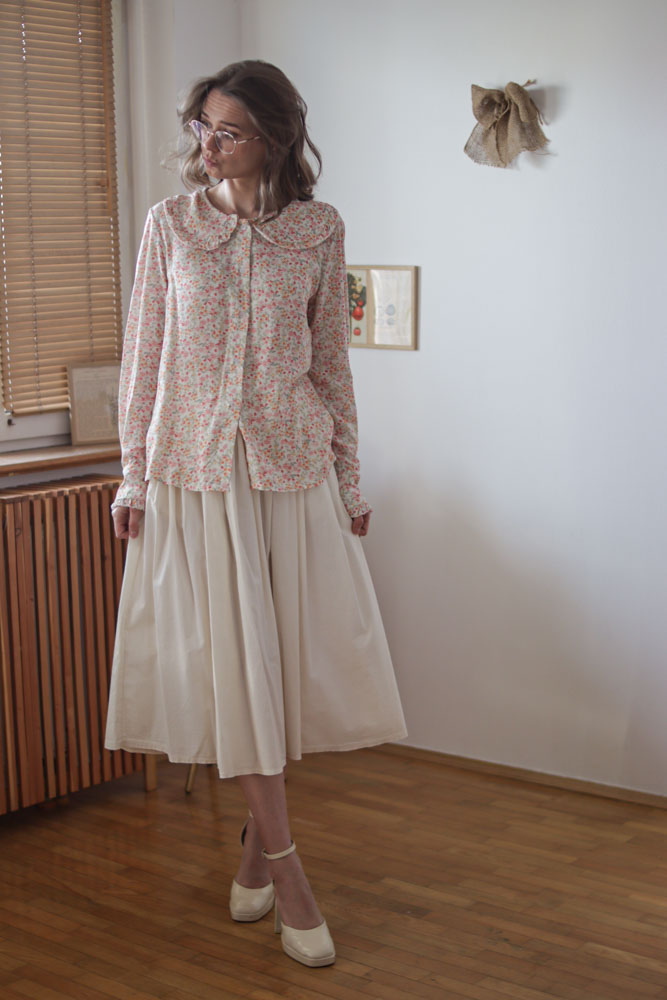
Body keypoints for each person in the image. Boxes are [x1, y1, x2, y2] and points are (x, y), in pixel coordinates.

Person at [105, 59, 407, 969]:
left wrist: (349, 482)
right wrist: (130, 478)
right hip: (194, 478)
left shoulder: (317, 228)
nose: (208, 145)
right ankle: (286, 868)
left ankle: (253, 848)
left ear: (274, 138)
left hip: (290, 471)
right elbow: (143, 358)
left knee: (277, 675)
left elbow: (331, 366)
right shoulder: (169, 226)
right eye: (202, 126)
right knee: (233, 673)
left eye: (228, 131)